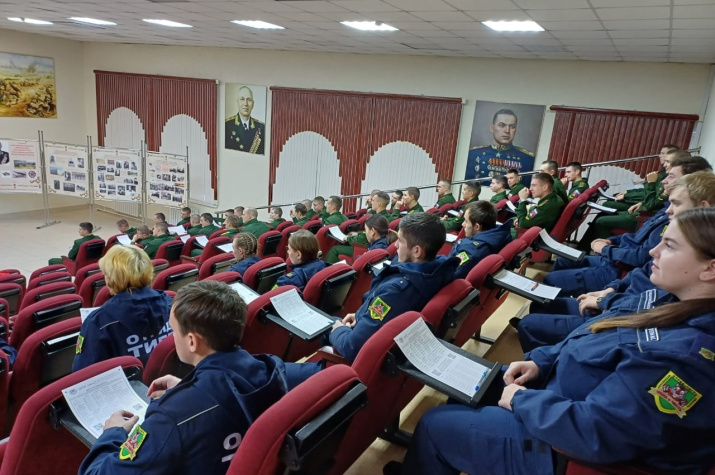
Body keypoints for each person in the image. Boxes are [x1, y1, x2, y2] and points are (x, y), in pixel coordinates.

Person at [389, 207, 715, 475]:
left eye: (670, 246)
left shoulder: (688, 360)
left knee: (434, 425)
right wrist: (541, 361)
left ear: (710, 268)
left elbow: (599, 433)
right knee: (466, 391)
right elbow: (598, 333)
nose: (654, 251)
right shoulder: (670, 299)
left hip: (563, 446)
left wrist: (521, 401)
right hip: (557, 390)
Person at [78, 280, 288, 475]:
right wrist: (190, 388)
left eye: (173, 330)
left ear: (192, 342)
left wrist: (112, 433)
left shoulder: (171, 416)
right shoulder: (273, 369)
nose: (172, 336)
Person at [518, 170, 715, 351]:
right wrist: (611, 286)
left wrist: (606, 295)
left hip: (619, 290)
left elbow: (644, 287)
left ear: (702, 207)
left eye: (676, 203)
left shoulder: (685, 266)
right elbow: (641, 265)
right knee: (542, 302)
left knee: (537, 312)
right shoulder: (674, 230)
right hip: (619, 295)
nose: (668, 210)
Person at [547, 157, 713, 297]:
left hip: (619, 268)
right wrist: (611, 241)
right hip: (617, 260)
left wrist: (605, 250)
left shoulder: (677, 227)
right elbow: (637, 237)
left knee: (551, 281)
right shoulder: (668, 210)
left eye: (671, 176)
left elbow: (640, 258)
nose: (664, 180)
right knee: (562, 262)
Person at [330, 213, 458, 362]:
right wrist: (360, 315)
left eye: (400, 241)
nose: (395, 245)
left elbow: (351, 347)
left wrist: (338, 329)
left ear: (416, 251)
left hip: (358, 358)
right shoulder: (437, 271)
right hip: (380, 337)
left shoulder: (395, 292)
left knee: (330, 323)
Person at [72, 245, 173, 372]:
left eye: (106, 273)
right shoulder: (171, 304)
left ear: (111, 277)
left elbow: (84, 373)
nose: (103, 275)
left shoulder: (98, 322)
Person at [580, 149, 691, 243]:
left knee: (602, 220)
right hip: (644, 211)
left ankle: (597, 250)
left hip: (645, 216)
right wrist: (638, 200)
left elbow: (651, 203)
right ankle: (585, 247)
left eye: (667, 161)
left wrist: (650, 185)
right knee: (605, 211)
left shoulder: (672, 182)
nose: (663, 163)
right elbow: (649, 197)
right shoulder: (664, 176)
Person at [466, 109, 536, 186]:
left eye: (512, 127)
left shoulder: (527, 159)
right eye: (502, 125)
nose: (507, 131)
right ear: (492, 128)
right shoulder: (473, 154)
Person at [448, 201, 513, 279]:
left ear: (477, 227)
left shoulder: (471, 252)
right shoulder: (499, 235)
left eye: (466, 221)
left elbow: (449, 276)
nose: (463, 224)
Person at [605, 144, 680, 211]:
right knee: (612, 198)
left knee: (608, 204)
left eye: (663, 153)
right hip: (644, 203)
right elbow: (647, 190)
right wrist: (628, 192)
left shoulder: (666, 176)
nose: (659, 156)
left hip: (647, 207)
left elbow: (652, 197)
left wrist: (627, 196)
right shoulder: (663, 172)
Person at [225, 85, 265, 154]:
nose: (245, 104)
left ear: (253, 104)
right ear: (237, 102)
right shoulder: (227, 125)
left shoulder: (262, 128)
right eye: (242, 99)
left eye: (249, 100)